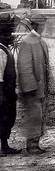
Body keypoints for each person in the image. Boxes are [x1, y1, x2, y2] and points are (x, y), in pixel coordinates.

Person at [14, 15, 49, 154]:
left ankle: (35, 143)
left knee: (39, 115)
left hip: (40, 87)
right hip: (32, 89)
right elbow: (25, 66)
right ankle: (31, 145)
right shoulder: (28, 42)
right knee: (34, 115)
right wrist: (29, 87)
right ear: (37, 25)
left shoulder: (40, 41)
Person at [0, 13, 20, 154]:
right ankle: (3, 147)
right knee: (3, 117)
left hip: (8, 91)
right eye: (5, 35)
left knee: (8, 117)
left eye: (9, 35)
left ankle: (5, 145)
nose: (9, 38)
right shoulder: (1, 51)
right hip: (3, 92)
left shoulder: (5, 49)